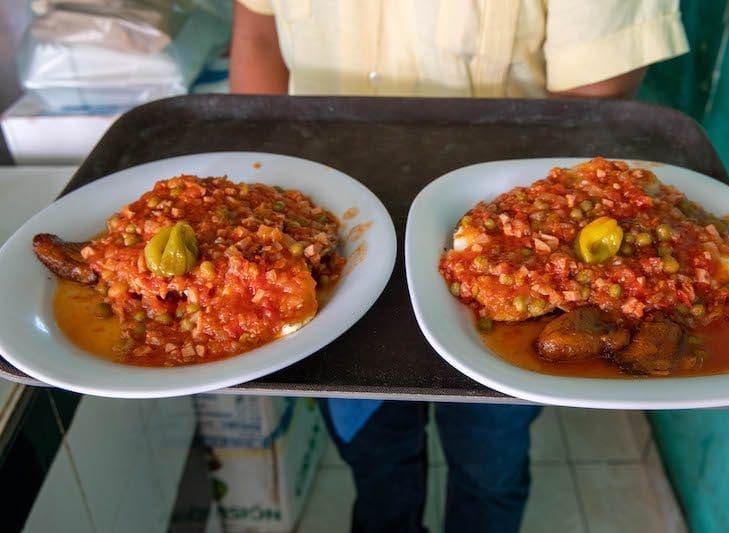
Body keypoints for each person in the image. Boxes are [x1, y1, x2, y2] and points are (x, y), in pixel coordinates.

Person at [230, 2, 688, 532]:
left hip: (509, 259)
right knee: (375, 460)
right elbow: (258, 31)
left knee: (489, 466)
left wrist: (538, 244)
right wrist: (260, 196)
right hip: (328, 256)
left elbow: (596, 87)